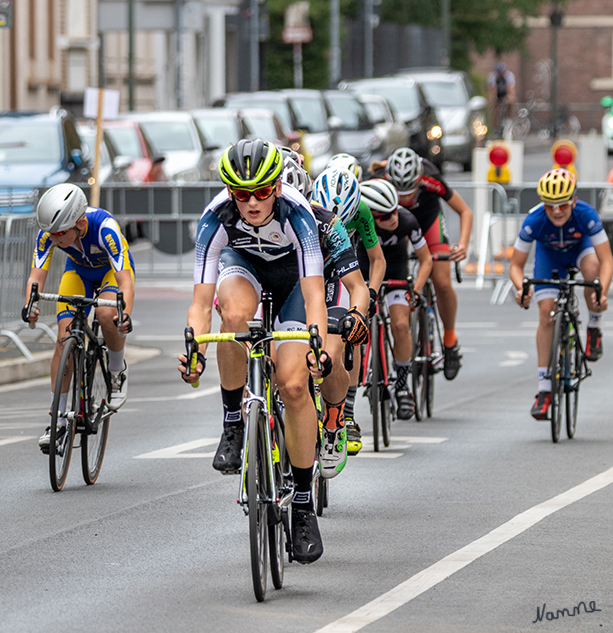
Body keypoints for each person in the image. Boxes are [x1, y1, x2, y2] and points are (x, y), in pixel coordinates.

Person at [178, 139, 330, 564]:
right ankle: (232, 421)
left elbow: (315, 293)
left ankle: (302, 506)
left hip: (291, 282)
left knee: (295, 385)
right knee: (234, 316)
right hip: (242, 266)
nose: (252, 202)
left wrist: (315, 342)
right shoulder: (216, 218)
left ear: (277, 187)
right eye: (241, 194)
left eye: (262, 191)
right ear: (230, 192)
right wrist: (193, 351)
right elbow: (199, 302)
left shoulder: (298, 215)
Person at [22, 184, 135, 452]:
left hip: (110, 273)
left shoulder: (105, 228)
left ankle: (117, 370)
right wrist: (29, 305)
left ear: (80, 223)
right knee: (64, 341)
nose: (54, 238)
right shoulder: (49, 233)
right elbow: (36, 277)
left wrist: (125, 313)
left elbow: (125, 282)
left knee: (108, 314)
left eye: (60, 233)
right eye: (51, 233)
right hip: (79, 273)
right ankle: (57, 420)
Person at [510, 169, 612, 419]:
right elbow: (515, 266)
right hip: (550, 258)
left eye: (563, 205)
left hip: (580, 250)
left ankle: (593, 327)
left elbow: (607, 259)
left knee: (593, 271)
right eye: (550, 206)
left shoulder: (586, 215)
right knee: (546, 313)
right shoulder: (534, 220)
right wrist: (521, 288)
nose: (556, 211)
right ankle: (544, 390)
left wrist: (602, 290)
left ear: (574, 201)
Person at [375, 147, 472, 381]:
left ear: (419, 181)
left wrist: (462, 245)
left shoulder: (431, 177)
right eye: (399, 193)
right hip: (394, 224)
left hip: (428, 220)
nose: (404, 199)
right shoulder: (377, 180)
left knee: (441, 280)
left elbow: (464, 211)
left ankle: (450, 340)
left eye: (409, 192)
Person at [312, 166, 386, 455]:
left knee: (344, 336)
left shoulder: (362, 211)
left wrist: (369, 295)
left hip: (343, 266)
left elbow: (376, 259)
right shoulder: (306, 210)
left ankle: (346, 412)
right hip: (311, 266)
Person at [359, 179, 433, 419]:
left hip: (395, 272)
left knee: (401, 325)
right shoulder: (357, 224)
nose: (392, 220)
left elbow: (426, 260)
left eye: (393, 212)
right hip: (364, 273)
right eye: (383, 217)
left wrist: (417, 290)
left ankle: (402, 386)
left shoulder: (407, 220)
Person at [487, 62, 516, 138]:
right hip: (498, 94)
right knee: (494, 108)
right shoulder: (492, 77)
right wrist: (493, 100)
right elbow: (492, 90)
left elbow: (511, 89)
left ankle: (509, 121)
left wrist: (509, 98)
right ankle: (495, 127)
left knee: (510, 102)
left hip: (505, 93)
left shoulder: (509, 76)